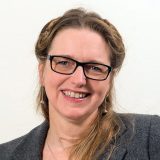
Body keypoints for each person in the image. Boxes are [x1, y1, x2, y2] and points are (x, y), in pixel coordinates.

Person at [0, 8, 160, 160]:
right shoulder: (5, 154)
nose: (79, 80)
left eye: (95, 67)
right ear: (42, 72)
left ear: (110, 80)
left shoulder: (152, 137)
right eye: (63, 63)